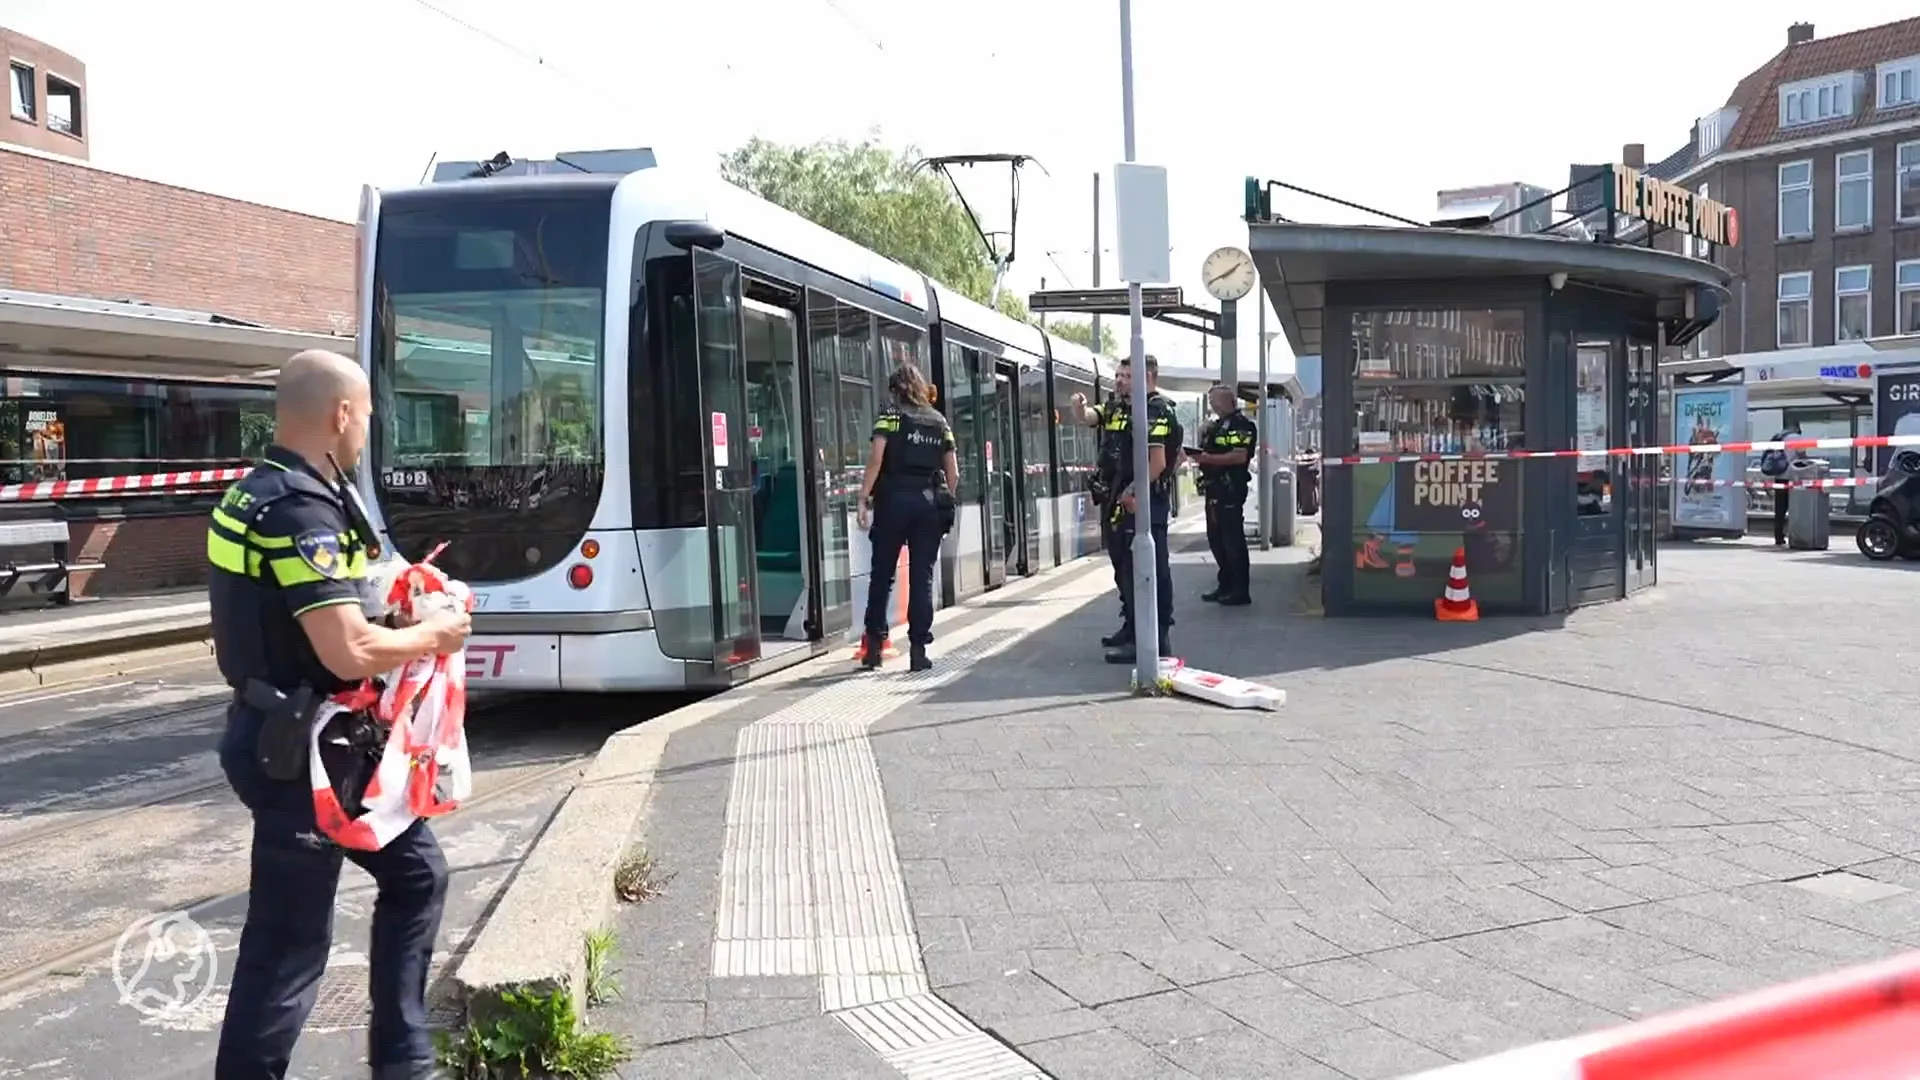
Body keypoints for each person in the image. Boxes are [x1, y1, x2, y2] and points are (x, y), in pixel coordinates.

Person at [208, 349, 470, 1080]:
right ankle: (400, 1061)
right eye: (367, 414)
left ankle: (405, 1060)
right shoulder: (299, 510)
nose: (369, 428)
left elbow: (317, 604)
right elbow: (348, 647)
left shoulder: (263, 491)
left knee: (413, 877)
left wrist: (399, 594)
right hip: (305, 752)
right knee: (289, 945)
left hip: (290, 737)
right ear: (342, 414)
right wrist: (435, 634)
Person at [1070, 355, 1178, 663]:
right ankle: (1132, 628)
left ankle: (1154, 641)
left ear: (1148, 377)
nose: (1120, 381)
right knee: (1124, 570)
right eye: (1118, 375)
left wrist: (1133, 494)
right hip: (1118, 499)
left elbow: (1156, 463)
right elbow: (1090, 416)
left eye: (1127, 376)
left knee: (1147, 572)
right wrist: (1078, 407)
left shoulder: (1154, 410)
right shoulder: (1118, 407)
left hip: (1141, 502)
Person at [856, 361, 958, 672]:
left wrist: (863, 498)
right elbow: (953, 472)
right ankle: (918, 651)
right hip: (927, 506)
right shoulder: (939, 421)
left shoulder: (889, 416)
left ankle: (874, 648)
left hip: (892, 503)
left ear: (896, 389)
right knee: (922, 577)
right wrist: (945, 498)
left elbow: (876, 459)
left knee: (882, 575)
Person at [1192, 385, 1257, 605]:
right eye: (1210, 400)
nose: (1211, 404)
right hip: (1214, 487)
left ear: (1228, 400)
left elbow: (1239, 457)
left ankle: (1240, 590)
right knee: (1216, 539)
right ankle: (1225, 584)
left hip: (1230, 488)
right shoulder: (1216, 426)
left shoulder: (1242, 426)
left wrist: (1207, 459)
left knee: (1232, 539)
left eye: (1214, 400)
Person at [1759, 421, 1799, 546]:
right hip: (1793, 476)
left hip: (1779, 475)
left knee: (1780, 507)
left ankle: (1778, 535)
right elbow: (1802, 455)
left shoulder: (1778, 436)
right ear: (1797, 428)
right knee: (1796, 508)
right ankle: (1795, 533)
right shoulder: (1797, 438)